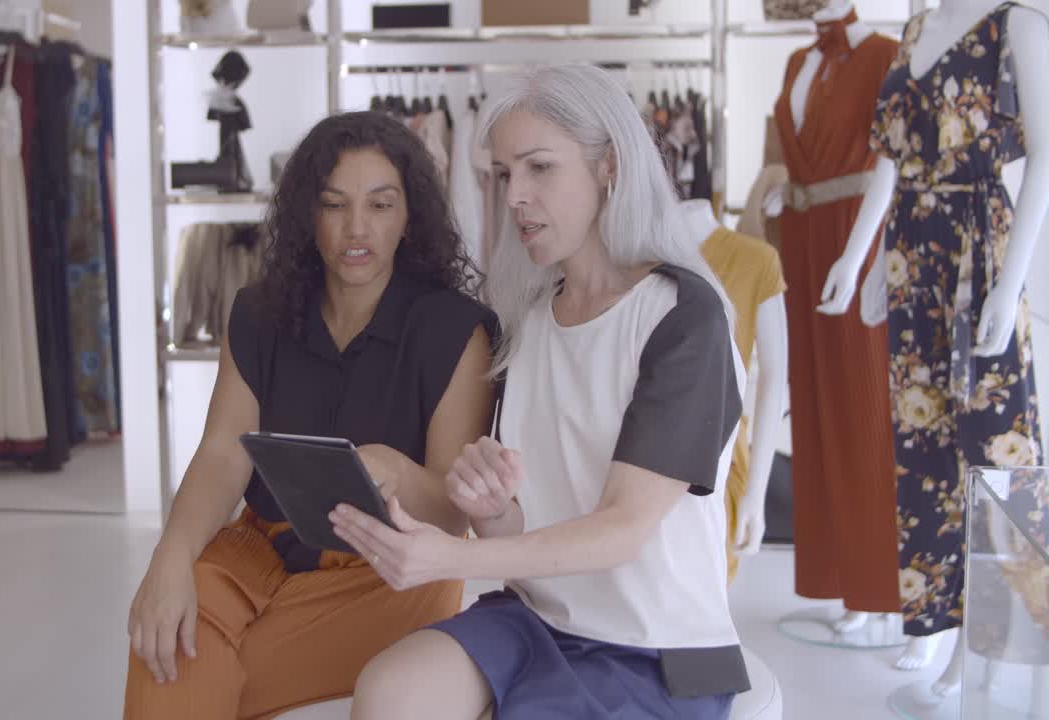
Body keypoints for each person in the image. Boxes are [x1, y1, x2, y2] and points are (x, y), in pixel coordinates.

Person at [333, 64, 751, 720]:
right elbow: (523, 522)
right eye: (503, 176)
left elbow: (622, 529)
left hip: (659, 648)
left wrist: (452, 556)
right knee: (387, 693)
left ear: (608, 165)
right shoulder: (525, 323)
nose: (515, 197)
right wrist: (488, 504)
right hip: (536, 618)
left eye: (539, 168)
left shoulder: (682, 317)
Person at [123, 111, 498, 719]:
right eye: (334, 205)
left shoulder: (455, 329)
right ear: (308, 215)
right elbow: (223, 453)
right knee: (167, 627)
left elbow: (453, 513)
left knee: (182, 660)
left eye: (380, 205)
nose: (357, 228)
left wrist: (395, 472)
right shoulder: (259, 312)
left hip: (389, 571)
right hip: (261, 548)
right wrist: (170, 556)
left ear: (410, 216)